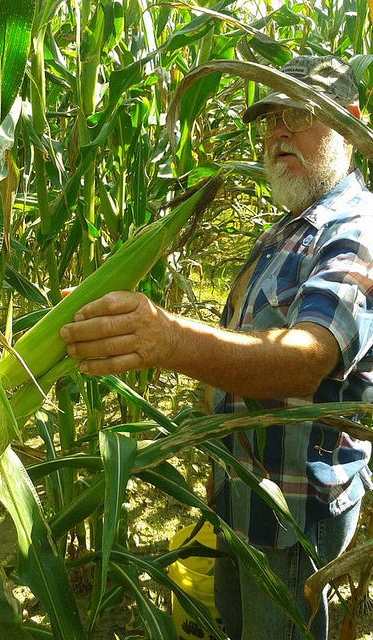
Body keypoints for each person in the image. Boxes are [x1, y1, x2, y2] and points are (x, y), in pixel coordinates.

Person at [60, 54, 373, 639]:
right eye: (270, 118)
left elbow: (304, 360)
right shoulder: (287, 230)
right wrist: (218, 463)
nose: (278, 131)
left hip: (293, 519)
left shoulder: (356, 232)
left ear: (350, 124)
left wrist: (168, 339)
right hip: (241, 494)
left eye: (298, 114)